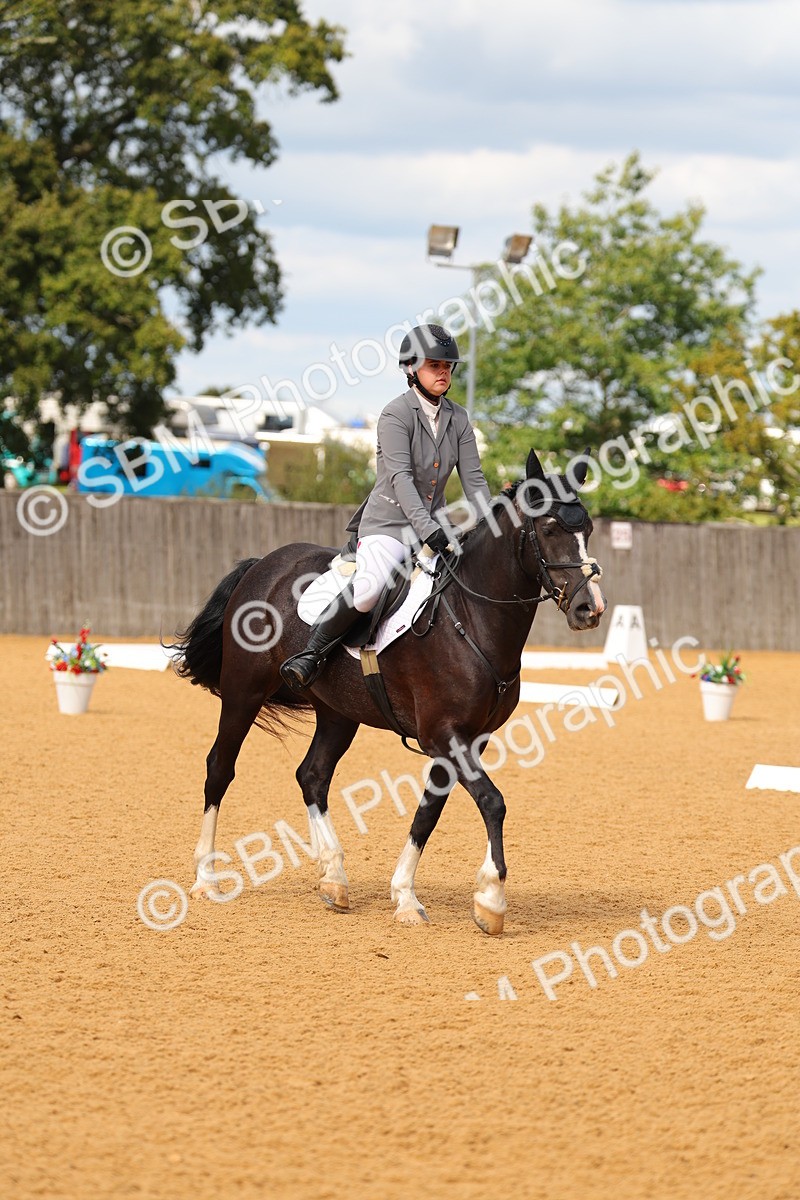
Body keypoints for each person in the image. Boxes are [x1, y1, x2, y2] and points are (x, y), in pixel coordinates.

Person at [279, 322, 492, 690]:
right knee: (369, 588)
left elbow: (474, 480)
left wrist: (491, 526)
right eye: (434, 365)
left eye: (447, 366)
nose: (443, 373)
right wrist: (429, 531)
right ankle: (311, 654)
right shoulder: (396, 414)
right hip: (389, 526)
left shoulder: (459, 419)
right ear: (412, 368)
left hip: (435, 529)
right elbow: (401, 479)